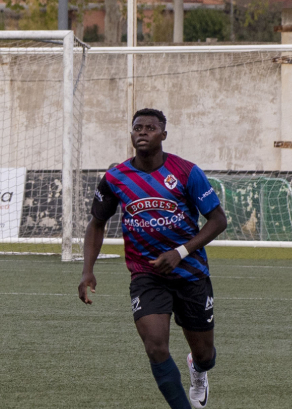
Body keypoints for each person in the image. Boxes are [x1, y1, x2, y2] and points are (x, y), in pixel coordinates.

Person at [78, 108, 228, 409]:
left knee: (204, 355)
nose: (142, 132)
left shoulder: (186, 172)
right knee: (155, 347)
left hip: (191, 274)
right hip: (146, 276)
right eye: (137, 127)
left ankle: (199, 371)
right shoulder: (115, 178)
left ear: (163, 134)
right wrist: (87, 270)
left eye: (150, 127)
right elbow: (96, 222)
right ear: (131, 133)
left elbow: (218, 220)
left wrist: (180, 252)